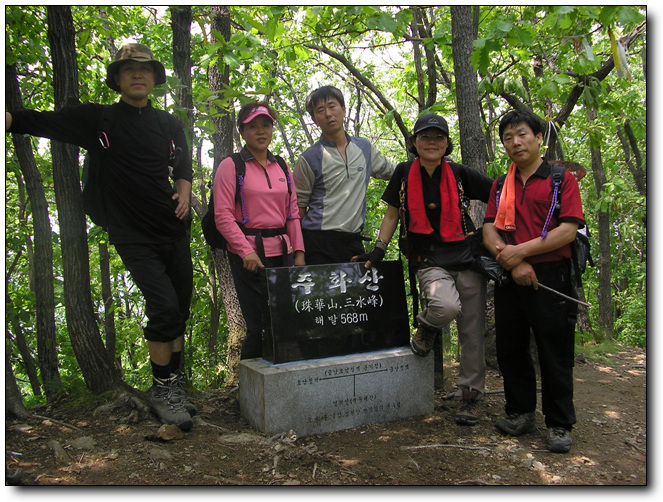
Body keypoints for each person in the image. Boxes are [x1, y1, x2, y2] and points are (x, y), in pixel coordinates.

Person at [6, 43, 196, 431]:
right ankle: (162, 391)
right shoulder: (100, 119)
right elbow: (44, 121)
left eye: (144, 69)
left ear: (155, 78)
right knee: (163, 307)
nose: (137, 74)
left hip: (173, 230)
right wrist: (11, 118)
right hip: (132, 233)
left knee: (178, 309)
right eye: (128, 70)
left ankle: (175, 385)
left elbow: (184, 162)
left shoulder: (169, 124)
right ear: (118, 78)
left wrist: (185, 190)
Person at [352, 113, 493, 426]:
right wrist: (378, 250)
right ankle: (428, 326)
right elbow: (391, 215)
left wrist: (494, 232)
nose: (432, 143)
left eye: (438, 137)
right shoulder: (403, 173)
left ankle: (470, 395)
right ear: (415, 142)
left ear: (446, 143)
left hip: (467, 256)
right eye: (425, 137)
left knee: (472, 330)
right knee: (444, 306)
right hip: (427, 259)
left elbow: (497, 193)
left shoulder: (459, 173)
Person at [482, 109, 585, 453]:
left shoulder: (560, 179)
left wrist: (521, 254)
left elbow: (568, 230)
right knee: (511, 348)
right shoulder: (500, 184)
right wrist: (510, 263)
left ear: (539, 138)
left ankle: (559, 423)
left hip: (551, 276)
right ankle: (520, 411)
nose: (515, 142)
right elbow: (489, 229)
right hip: (510, 277)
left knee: (555, 351)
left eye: (522, 134)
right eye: (508, 138)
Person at [213, 102, 305, 360]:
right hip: (249, 257)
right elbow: (222, 215)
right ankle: (249, 389)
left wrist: (299, 253)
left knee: (284, 320)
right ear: (242, 132)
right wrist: (245, 252)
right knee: (258, 326)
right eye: (253, 126)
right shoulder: (231, 166)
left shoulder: (282, 166)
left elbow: (292, 213)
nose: (260, 131)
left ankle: (284, 379)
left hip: (282, 254)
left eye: (266, 125)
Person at [292, 85, 395, 264]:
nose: (329, 114)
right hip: (317, 242)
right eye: (321, 110)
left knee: (356, 293)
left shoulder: (364, 148)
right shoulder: (308, 158)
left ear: (343, 109)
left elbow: (394, 172)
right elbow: (297, 209)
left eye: (332, 106)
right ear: (314, 119)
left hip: (353, 241)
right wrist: (298, 252)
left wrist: (428, 161)